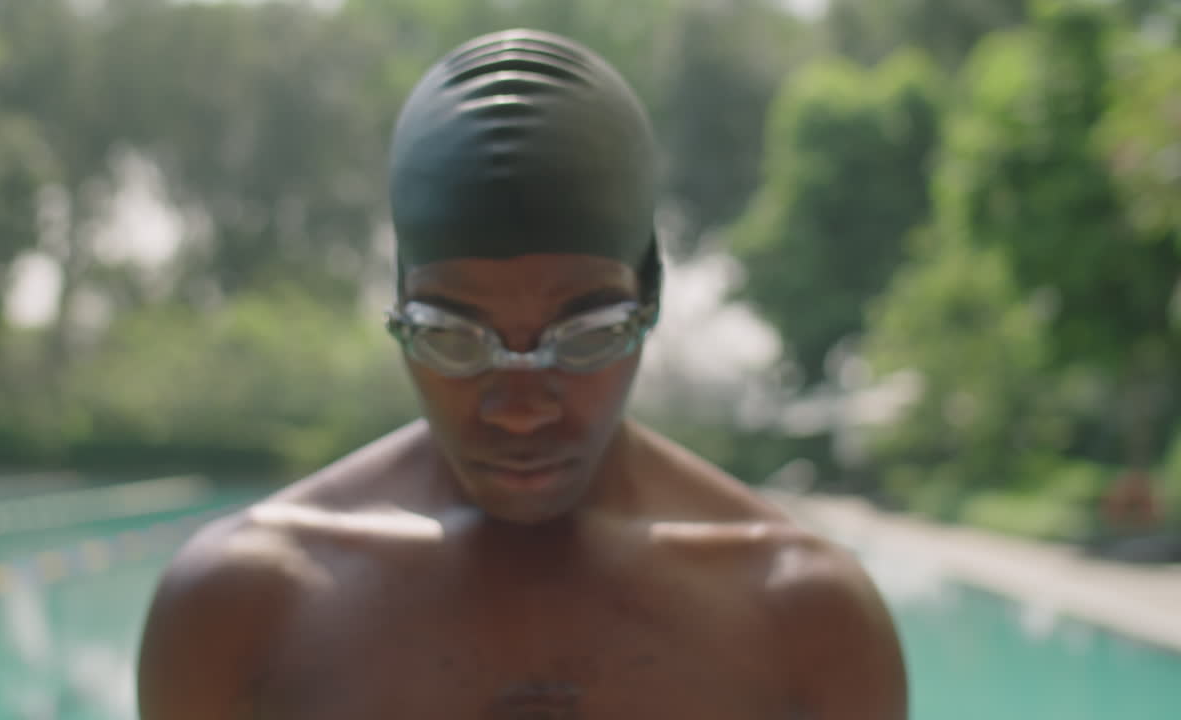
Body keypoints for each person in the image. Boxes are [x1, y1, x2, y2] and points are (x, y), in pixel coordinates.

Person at [136, 29, 907, 719]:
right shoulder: (241, 608)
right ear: (398, 310)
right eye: (452, 336)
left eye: (587, 335)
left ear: (653, 300)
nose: (519, 408)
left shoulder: (807, 619)